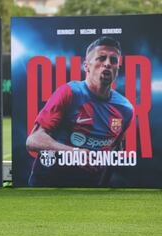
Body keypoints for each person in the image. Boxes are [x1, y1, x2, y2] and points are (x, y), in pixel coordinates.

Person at [26, 36, 134, 187]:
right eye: (101, 58)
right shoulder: (70, 92)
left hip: (89, 187)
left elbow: (115, 151)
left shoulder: (126, 109)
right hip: (49, 182)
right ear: (86, 66)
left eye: (113, 60)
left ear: (117, 69)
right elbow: (33, 140)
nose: (108, 64)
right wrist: (74, 152)